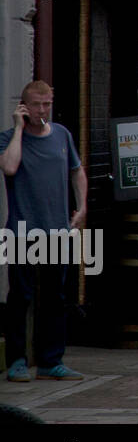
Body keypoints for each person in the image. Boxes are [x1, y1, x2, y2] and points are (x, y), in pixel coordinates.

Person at [2, 81, 87, 382]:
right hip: (22, 231)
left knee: (55, 297)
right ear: (24, 106)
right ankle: (17, 361)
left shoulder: (62, 135)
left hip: (57, 230)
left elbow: (77, 171)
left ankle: (52, 360)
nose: (42, 110)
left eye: (47, 103)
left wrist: (82, 205)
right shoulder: (10, 138)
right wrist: (18, 129)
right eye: (36, 105)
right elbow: (10, 168)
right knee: (20, 296)